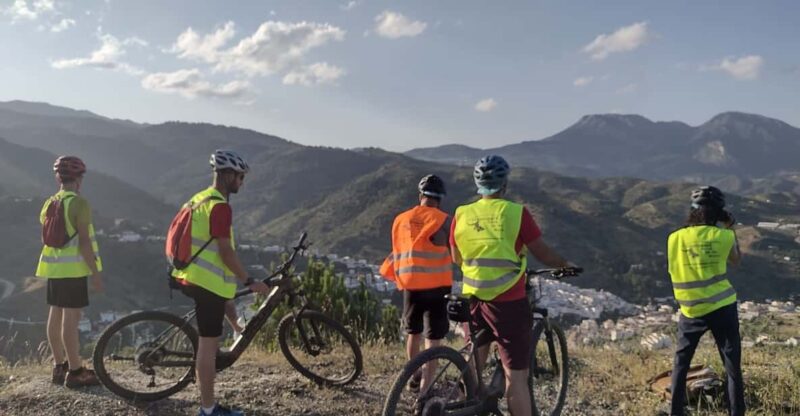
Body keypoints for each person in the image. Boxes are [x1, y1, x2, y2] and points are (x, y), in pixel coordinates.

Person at [451, 155, 574, 416]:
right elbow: (542, 252)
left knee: (474, 363)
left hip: (473, 297)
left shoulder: (461, 213)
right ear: (504, 184)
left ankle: (463, 406)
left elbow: (456, 256)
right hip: (508, 301)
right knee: (516, 377)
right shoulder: (516, 213)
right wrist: (565, 264)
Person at [172, 149, 270, 416]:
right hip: (205, 283)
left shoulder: (199, 199)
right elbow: (226, 252)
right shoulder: (220, 207)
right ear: (227, 175)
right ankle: (207, 409)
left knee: (213, 337)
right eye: (239, 176)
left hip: (193, 276)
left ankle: (209, 403)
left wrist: (235, 322)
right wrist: (249, 281)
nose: (242, 182)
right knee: (207, 347)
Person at [668, 186, 744, 416]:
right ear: (719, 213)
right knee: (732, 368)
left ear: (692, 211)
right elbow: (736, 260)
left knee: (681, 364)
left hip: (690, 309)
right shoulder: (724, 236)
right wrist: (730, 227)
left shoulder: (674, 238)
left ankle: (675, 412)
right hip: (722, 308)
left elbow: (673, 269)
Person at [380, 174, 454, 393]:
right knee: (434, 338)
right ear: (440, 198)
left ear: (420, 195)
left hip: (410, 284)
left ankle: (414, 374)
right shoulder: (445, 220)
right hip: (438, 286)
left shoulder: (400, 219)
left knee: (413, 332)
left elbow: (398, 249)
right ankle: (425, 388)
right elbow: (456, 249)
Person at [36, 156, 104, 388]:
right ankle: (76, 371)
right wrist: (95, 273)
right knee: (71, 320)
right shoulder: (79, 204)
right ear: (79, 179)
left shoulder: (50, 203)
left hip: (53, 268)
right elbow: (84, 242)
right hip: (73, 270)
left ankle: (59, 366)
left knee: (55, 314)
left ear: (58, 178)